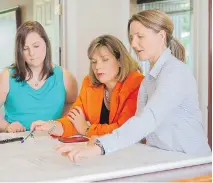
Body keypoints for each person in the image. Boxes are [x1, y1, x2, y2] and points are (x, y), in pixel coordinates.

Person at [55, 10, 211, 162]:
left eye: (140, 37)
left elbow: (148, 119)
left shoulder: (175, 72)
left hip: (192, 161)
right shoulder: (149, 80)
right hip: (165, 161)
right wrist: (99, 140)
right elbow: (137, 126)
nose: (134, 44)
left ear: (161, 36)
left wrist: (99, 147)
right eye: (131, 37)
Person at [31, 35, 144, 138]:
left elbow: (124, 130)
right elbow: (74, 119)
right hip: (101, 151)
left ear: (120, 61)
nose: (97, 67)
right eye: (94, 61)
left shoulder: (136, 83)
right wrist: (51, 126)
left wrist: (86, 129)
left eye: (105, 60)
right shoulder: (89, 83)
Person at [0, 21, 78, 132]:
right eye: (25, 48)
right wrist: (7, 126)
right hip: (17, 142)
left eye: (36, 46)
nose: (32, 53)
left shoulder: (66, 77)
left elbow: (72, 105)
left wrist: (58, 124)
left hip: (54, 142)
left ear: (46, 43)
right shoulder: (6, 77)